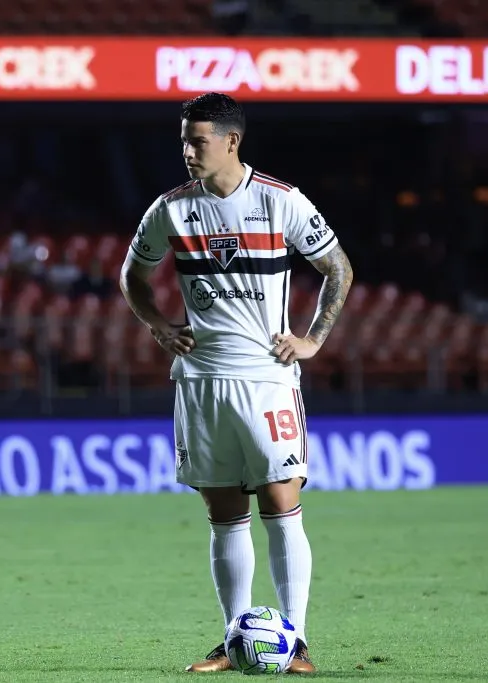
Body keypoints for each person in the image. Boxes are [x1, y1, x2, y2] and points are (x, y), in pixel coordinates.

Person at [118, 92, 353, 674]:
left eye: (197, 141)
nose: (188, 152)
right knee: (223, 511)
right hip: (201, 380)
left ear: (231, 141)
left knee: (281, 500)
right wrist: (157, 326)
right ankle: (233, 637)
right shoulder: (170, 209)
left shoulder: (280, 201)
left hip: (267, 378)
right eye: (183, 141)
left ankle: (294, 640)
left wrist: (313, 339)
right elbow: (133, 277)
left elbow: (338, 267)